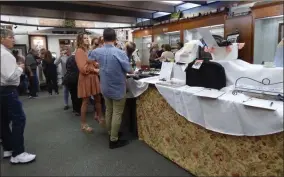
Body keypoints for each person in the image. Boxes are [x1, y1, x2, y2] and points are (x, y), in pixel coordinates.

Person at [89, 28, 133, 149]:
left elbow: (88, 57)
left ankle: (110, 133)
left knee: (108, 110)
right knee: (117, 113)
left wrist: (99, 64)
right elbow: (129, 70)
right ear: (115, 38)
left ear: (103, 38)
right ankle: (113, 140)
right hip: (118, 87)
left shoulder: (98, 51)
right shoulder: (119, 53)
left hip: (105, 86)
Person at [0, 28, 36, 164]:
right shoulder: (5, 55)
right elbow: (10, 76)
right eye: (11, 37)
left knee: (3, 121)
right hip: (8, 90)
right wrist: (20, 67)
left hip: (2, 91)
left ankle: (8, 148)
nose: (14, 39)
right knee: (19, 119)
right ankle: (18, 153)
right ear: (2, 38)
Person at [75, 32, 103, 133]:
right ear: (80, 40)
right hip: (86, 78)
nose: (87, 39)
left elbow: (93, 62)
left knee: (98, 98)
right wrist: (95, 70)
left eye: (87, 38)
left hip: (93, 78)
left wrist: (98, 65)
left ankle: (99, 117)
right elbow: (83, 68)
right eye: (85, 38)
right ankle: (83, 124)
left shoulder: (88, 50)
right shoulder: (79, 51)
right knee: (85, 101)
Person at [63, 50, 82, 116]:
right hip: (76, 78)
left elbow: (66, 68)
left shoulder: (69, 58)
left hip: (68, 78)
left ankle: (75, 109)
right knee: (78, 95)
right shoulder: (77, 58)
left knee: (73, 95)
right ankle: (78, 110)